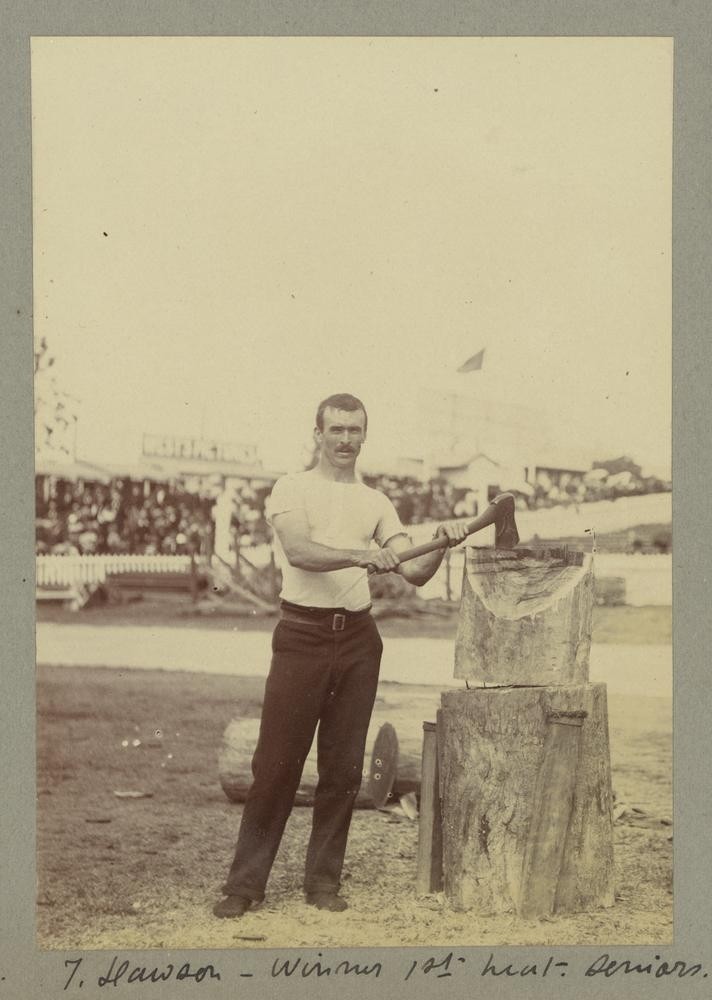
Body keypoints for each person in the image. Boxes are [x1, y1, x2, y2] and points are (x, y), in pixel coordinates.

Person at [212, 393, 468, 918]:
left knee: (344, 768)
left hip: (358, 640)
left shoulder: (376, 502)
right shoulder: (292, 488)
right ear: (318, 434)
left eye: (355, 431)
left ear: (364, 436)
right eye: (337, 430)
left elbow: (413, 572)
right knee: (276, 766)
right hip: (301, 637)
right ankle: (244, 885)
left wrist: (443, 542)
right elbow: (301, 552)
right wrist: (362, 554)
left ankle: (322, 882)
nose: (346, 440)